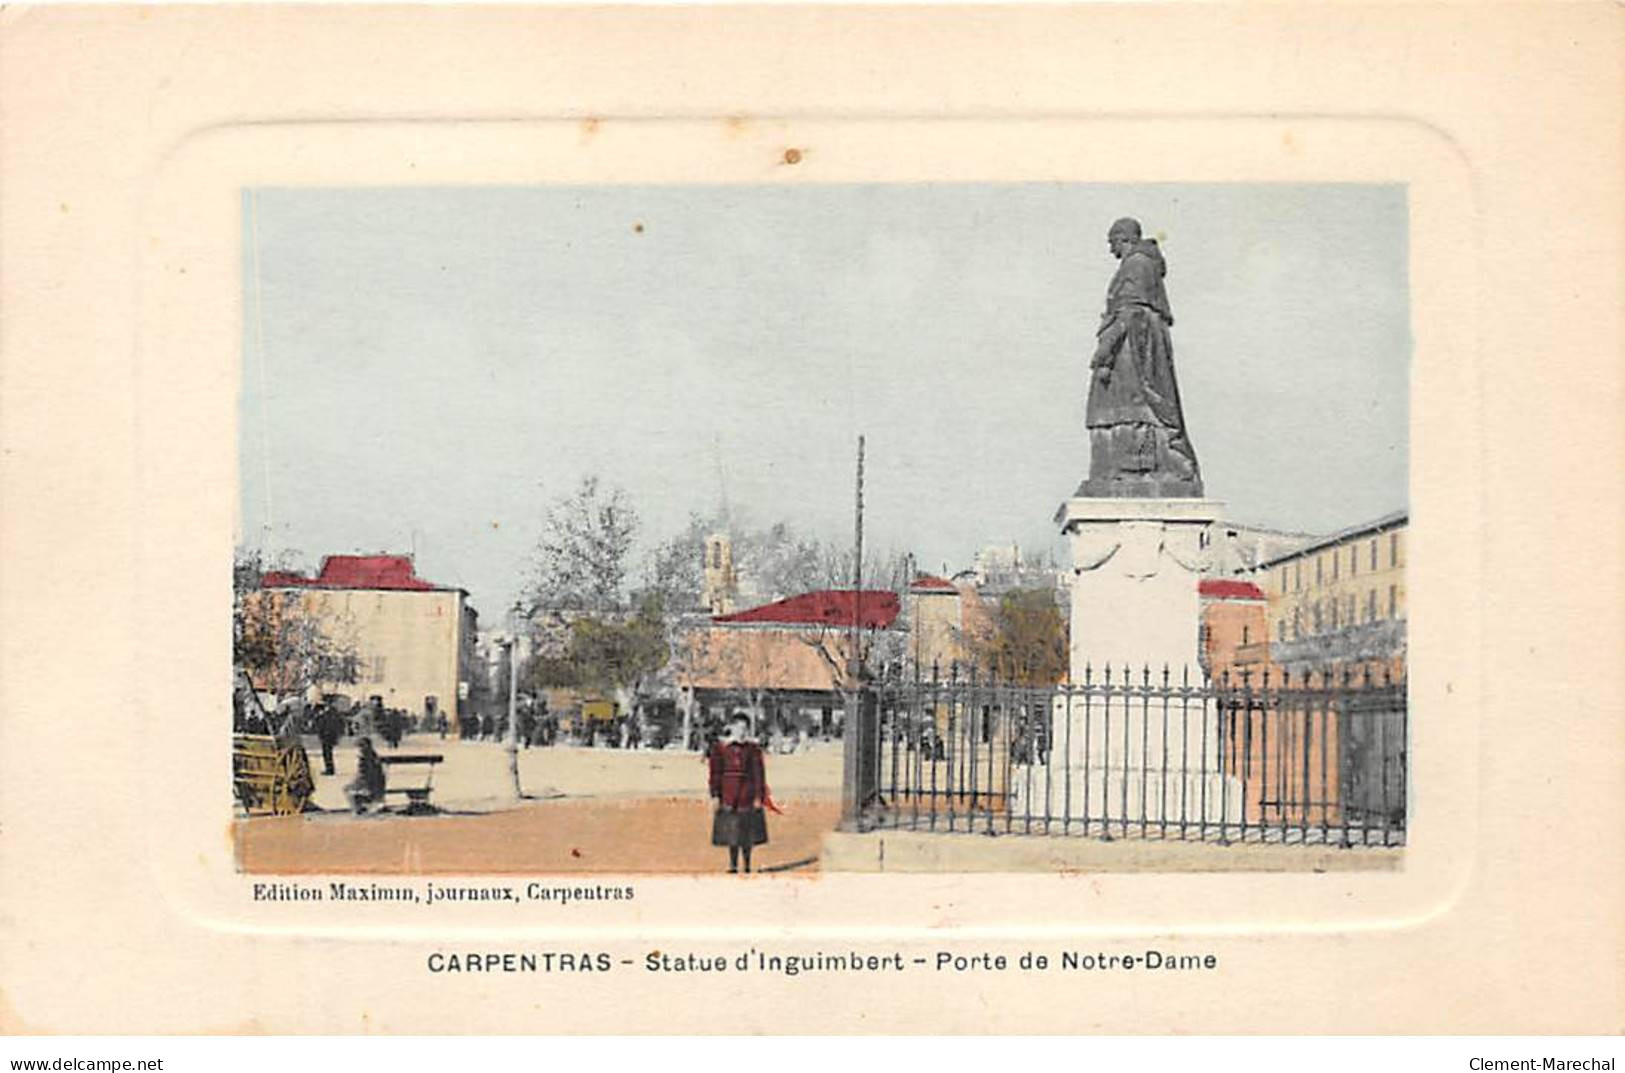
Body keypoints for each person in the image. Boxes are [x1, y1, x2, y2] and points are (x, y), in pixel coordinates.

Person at [1081, 216, 1203, 498]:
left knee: (1130, 405)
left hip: (1133, 345)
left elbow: (1129, 310)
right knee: (1132, 405)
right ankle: (1127, 466)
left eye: (1112, 242)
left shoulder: (1136, 265)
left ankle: (1132, 468)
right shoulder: (1141, 264)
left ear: (1124, 238)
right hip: (1140, 339)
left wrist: (1104, 353)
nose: (1110, 250)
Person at [707, 713, 774, 874]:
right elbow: (715, 773)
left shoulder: (753, 749)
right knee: (732, 832)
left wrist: (759, 795)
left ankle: (747, 864)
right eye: (739, 727)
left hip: (747, 794)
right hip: (728, 795)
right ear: (731, 727)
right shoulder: (721, 749)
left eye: (745, 728)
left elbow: (759, 773)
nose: (742, 731)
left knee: (747, 832)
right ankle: (732, 864)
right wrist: (715, 794)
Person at [345, 736, 387, 814]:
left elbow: (365, 775)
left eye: (361, 745)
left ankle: (359, 808)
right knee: (351, 788)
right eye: (359, 746)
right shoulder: (373, 755)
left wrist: (358, 782)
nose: (360, 748)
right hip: (375, 784)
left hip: (371, 785)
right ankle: (361, 806)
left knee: (348, 789)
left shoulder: (367, 757)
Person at [315, 703, 345, 776]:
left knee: (327, 753)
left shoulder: (326, 716)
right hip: (330, 736)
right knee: (328, 753)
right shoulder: (332, 714)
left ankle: (329, 769)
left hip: (327, 736)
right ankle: (330, 768)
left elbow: (322, 726)